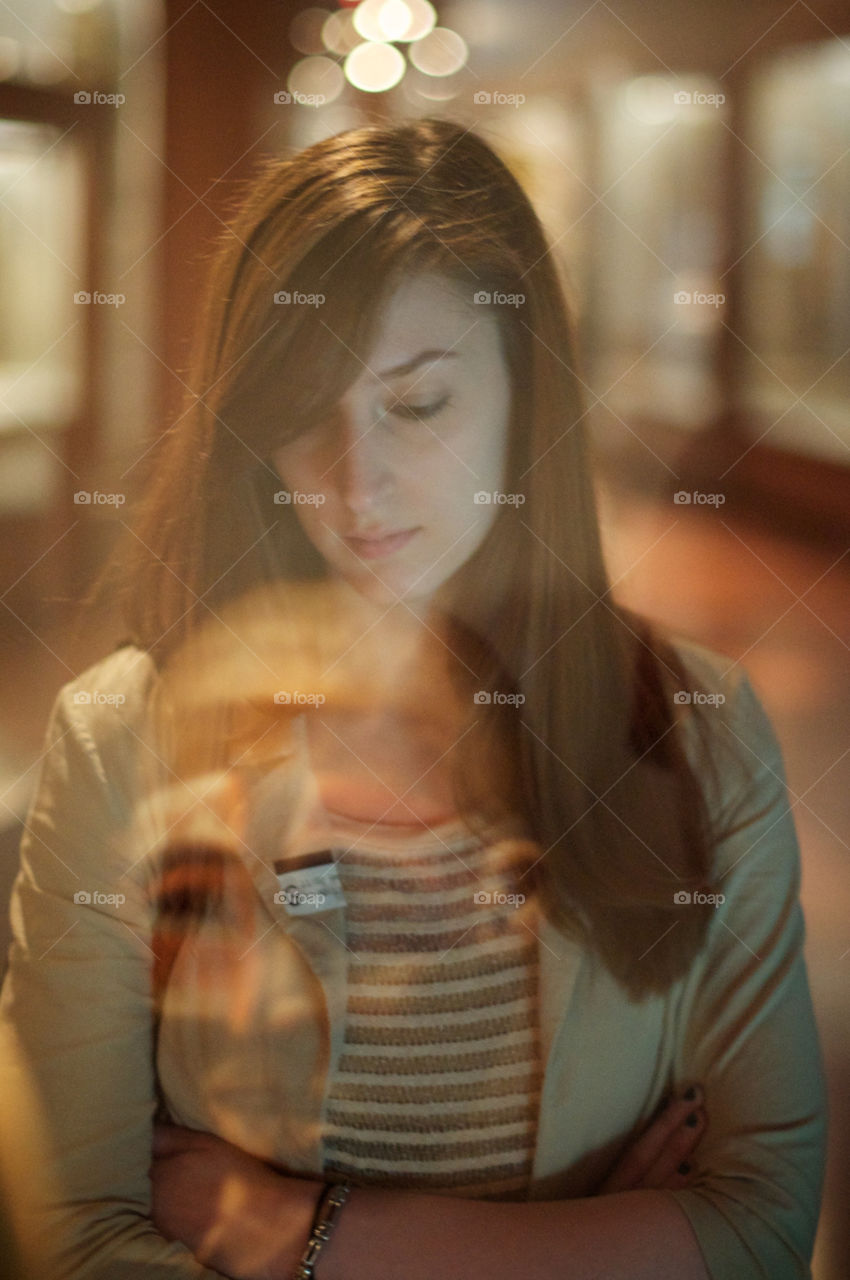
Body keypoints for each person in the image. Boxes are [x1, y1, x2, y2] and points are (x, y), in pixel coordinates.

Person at [0, 116, 827, 1280]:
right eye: (306, 409)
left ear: (521, 398)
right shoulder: (122, 736)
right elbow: (75, 1243)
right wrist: (591, 1243)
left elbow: (758, 1229)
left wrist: (295, 1225)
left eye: (418, 404)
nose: (358, 482)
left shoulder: (696, 725)